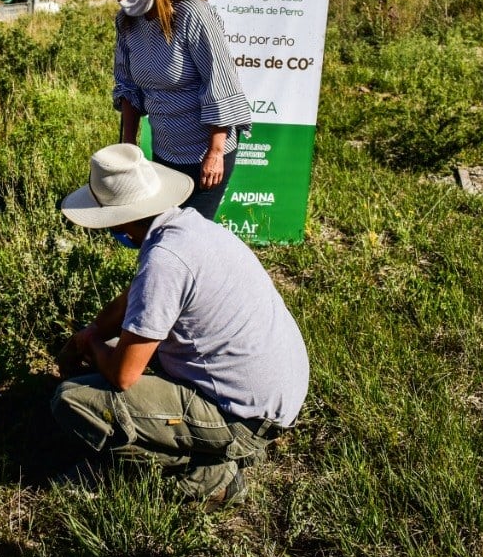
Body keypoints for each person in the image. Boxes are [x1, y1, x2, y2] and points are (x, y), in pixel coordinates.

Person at [52, 143, 309, 504]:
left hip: (244, 419)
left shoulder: (165, 262)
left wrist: (90, 346)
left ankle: (207, 476)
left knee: (72, 401)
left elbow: (123, 374)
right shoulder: (189, 229)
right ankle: (214, 448)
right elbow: (132, 304)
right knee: (107, 353)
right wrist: (92, 334)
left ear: (119, 220)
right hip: (269, 398)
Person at [98, 0, 252, 220]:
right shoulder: (127, 23)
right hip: (166, 150)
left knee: (191, 231)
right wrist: (129, 147)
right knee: (164, 227)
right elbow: (128, 87)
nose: (123, 0)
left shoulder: (192, 13)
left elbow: (220, 81)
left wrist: (216, 152)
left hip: (206, 150)